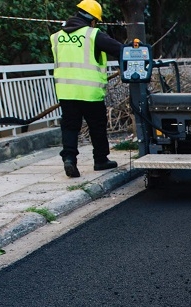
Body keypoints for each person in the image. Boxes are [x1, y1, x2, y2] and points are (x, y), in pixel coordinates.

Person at [51, 0, 122, 178]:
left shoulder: (56, 37)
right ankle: (100, 160)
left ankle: (69, 159)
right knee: (96, 126)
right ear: (92, 20)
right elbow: (120, 50)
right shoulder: (93, 34)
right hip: (90, 91)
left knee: (69, 126)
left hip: (66, 91)